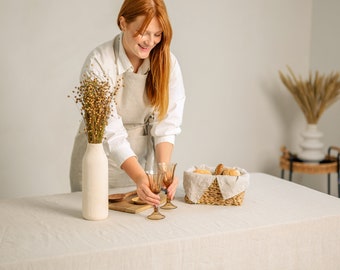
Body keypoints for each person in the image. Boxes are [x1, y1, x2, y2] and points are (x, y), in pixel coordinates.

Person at [69, 0, 185, 206]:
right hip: (99, 159)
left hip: (141, 162)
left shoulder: (167, 62)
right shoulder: (99, 62)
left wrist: (164, 171)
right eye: (143, 32)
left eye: (157, 34)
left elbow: (167, 123)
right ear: (123, 23)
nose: (150, 42)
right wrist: (140, 177)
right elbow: (111, 132)